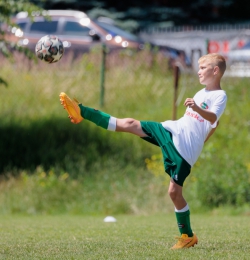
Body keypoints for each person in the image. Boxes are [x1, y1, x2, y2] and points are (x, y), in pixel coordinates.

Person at [59, 53, 227, 249]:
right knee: (130, 124)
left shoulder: (220, 95)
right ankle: (82, 112)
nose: (198, 71)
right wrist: (200, 119)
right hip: (172, 131)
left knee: (174, 192)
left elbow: (214, 118)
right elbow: (211, 123)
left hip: (185, 149)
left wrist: (199, 136)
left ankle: (188, 236)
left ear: (215, 71)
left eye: (203, 68)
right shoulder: (200, 93)